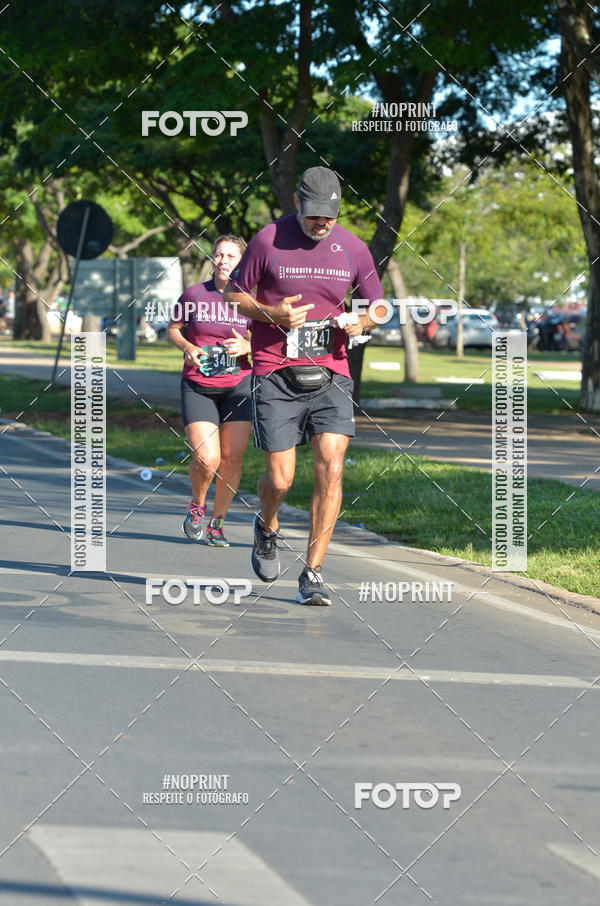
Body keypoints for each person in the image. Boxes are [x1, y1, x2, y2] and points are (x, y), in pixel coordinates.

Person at [224, 166, 383, 605]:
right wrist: (273, 315)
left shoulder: (352, 248)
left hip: (332, 372)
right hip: (275, 371)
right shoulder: (267, 240)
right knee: (280, 478)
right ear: (297, 202)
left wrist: (362, 321)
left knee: (331, 465)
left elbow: (379, 306)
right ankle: (267, 525)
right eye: (313, 214)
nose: (321, 223)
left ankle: (312, 572)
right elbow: (234, 295)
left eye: (328, 216)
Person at [168, 234, 252, 547]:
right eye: (219, 255)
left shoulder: (252, 299)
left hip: (239, 387)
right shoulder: (194, 295)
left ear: (242, 262)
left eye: (231, 256)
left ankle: (217, 523)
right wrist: (188, 347)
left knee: (231, 458)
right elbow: (174, 329)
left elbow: (271, 341)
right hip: (198, 386)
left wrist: (247, 345)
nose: (223, 261)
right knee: (207, 458)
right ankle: (198, 505)